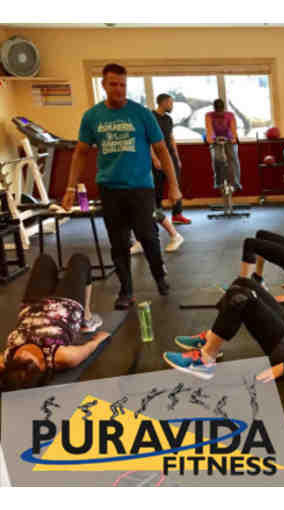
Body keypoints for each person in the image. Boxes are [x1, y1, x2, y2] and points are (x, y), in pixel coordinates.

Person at [62, 63, 183, 309]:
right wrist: (70, 189)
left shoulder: (141, 114)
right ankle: (126, 290)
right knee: (118, 243)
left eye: (122, 85)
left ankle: (160, 277)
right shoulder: (92, 116)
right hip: (110, 188)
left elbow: (162, 149)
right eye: (113, 84)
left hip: (141, 187)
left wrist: (174, 185)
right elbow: (80, 153)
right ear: (104, 85)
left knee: (147, 236)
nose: (118, 89)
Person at [0, 254, 111, 391]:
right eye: (28, 361)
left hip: (32, 305)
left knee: (44, 260)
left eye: (18, 360)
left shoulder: (7, 359)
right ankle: (86, 318)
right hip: (67, 305)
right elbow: (89, 347)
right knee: (79, 260)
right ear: (40, 369)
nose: (22, 354)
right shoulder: (61, 356)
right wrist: (99, 340)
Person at [151, 93, 191, 225]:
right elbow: (147, 139)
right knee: (157, 186)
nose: (172, 105)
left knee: (176, 184)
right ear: (163, 103)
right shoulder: (151, 117)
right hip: (157, 155)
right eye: (170, 103)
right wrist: (154, 158)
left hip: (170, 156)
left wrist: (177, 158)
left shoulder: (168, 119)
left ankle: (177, 214)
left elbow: (171, 138)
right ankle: (157, 214)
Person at [205, 98, 242, 192]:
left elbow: (233, 129)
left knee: (233, 157)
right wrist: (211, 139)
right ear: (214, 109)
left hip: (229, 137)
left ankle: (235, 183)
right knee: (217, 158)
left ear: (224, 108)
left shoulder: (230, 115)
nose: (219, 113)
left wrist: (233, 138)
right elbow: (209, 129)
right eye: (217, 111)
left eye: (221, 110)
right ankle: (218, 183)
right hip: (215, 138)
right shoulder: (209, 115)